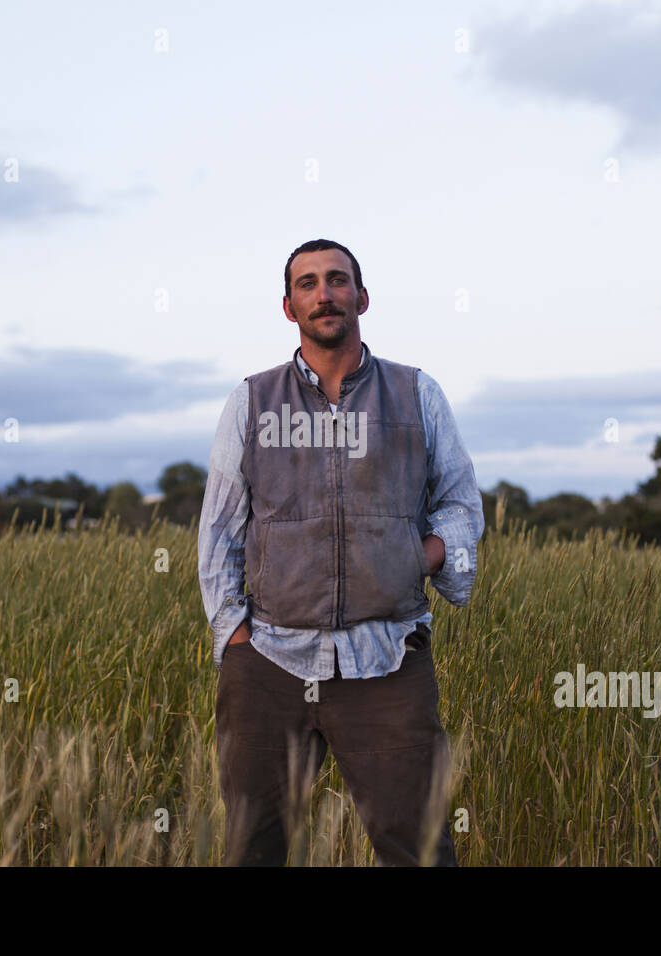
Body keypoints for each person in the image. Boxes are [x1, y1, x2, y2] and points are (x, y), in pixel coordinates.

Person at [197, 238, 483, 866]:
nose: (323, 294)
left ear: (362, 296)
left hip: (386, 660)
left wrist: (424, 555)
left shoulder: (416, 394)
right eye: (307, 284)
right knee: (254, 851)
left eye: (336, 280)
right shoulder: (251, 400)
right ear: (288, 306)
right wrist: (234, 637)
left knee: (421, 851)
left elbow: (461, 503)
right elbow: (219, 527)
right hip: (270, 660)